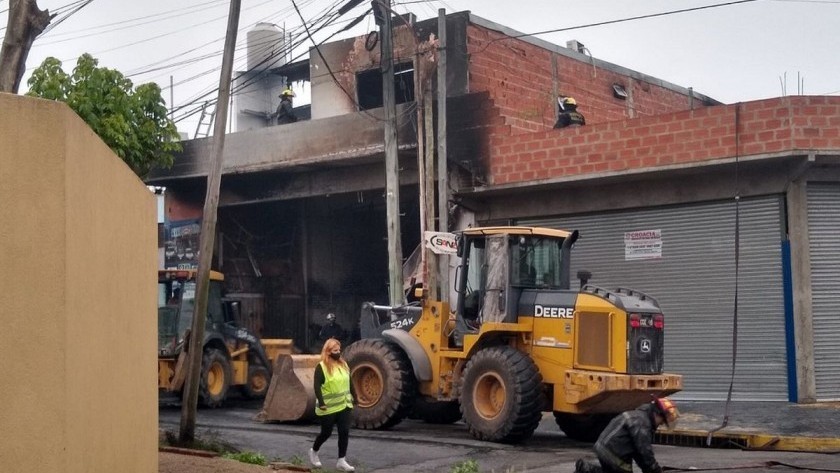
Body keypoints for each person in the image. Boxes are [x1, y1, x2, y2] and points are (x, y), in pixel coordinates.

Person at [574, 397, 680, 473]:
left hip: (604, 448)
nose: (661, 424)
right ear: (656, 413)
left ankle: (585, 468)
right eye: (662, 421)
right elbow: (645, 453)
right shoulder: (642, 423)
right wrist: (654, 469)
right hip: (613, 454)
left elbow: (638, 452)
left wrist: (651, 469)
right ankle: (587, 469)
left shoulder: (640, 416)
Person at [309, 338, 357, 472]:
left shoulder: (344, 364)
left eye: (339, 350)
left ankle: (341, 460)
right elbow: (317, 386)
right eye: (335, 350)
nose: (338, 352)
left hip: (344, 404)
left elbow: (350, 381)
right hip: (328, 406)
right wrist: (322, 402)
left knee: (344, 431)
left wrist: (355, 396)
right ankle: (314, 451)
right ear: (328, 352)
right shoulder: (322, 367)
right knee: (326, 432)